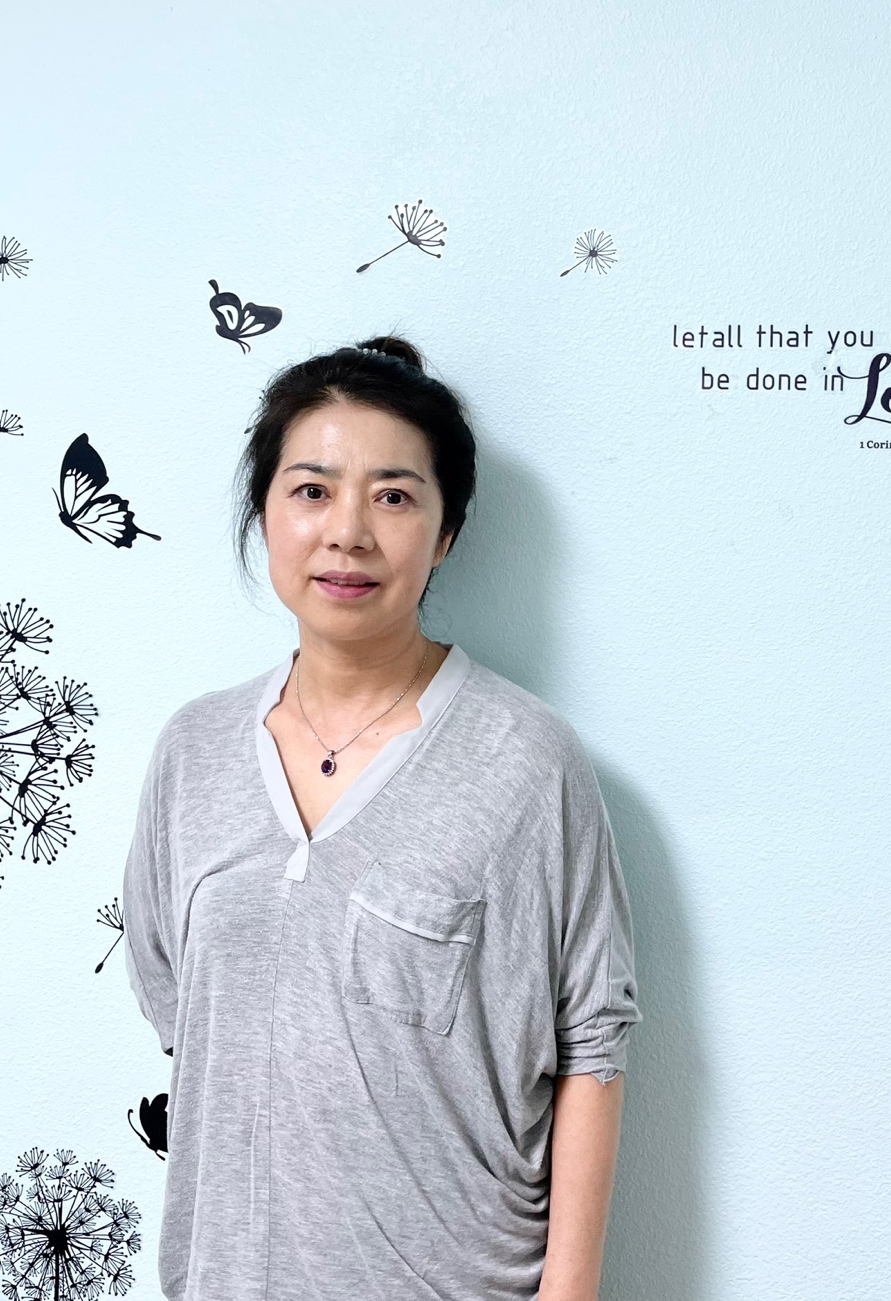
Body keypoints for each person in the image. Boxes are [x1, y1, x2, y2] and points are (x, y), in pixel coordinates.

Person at [122, 336, 642, 1301]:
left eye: (394, 496)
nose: (348, 532)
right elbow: (181, 1012)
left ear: (445, 534)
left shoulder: (528, 763)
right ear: (265, 513)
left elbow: (592, 1043)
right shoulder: (192, 751)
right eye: (312, 490)